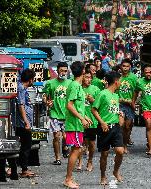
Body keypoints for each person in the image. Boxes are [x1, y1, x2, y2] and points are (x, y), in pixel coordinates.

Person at [63, 61, 92, 189]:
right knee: (76, 150)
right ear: (83, 72)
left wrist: (85, 117)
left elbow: (77, 106)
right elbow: (69, 105)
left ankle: (69, 178)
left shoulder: (77, 86)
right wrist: (82, 118)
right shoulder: (75, 85)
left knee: (77, 149)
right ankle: (68, 179)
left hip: (77, 123)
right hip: (74, 124)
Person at [92, 71, 124, 185]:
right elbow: (94, 109)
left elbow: (111, 108)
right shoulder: (103, 94)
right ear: (116, 81)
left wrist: (119, 113)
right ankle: (103, 176)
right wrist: (102, 122)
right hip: (104, 128)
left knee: (120, 151)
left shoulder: (116, 95)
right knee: (104, 153)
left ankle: (115, 171)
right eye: (119, 80)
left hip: (115, 127)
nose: (120, 83)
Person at [43, 62, 72, 165]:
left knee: (66, 136)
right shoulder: (50, 83)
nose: (63, 73)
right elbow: (45, 96)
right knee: (56, 137)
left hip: (67, 114)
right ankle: (57, 158)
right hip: (55, 113)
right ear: (57, 70)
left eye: (65, 71)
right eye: (61, 70)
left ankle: (65, 148)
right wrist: (47, 102)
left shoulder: (70, 83)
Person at [16, 68, 36, 177]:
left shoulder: (22, 88)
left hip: (23, 122)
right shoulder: (21, 89)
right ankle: (24, 169)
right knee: (26, 146)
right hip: (22, 123)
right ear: (30, 79)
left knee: (24, 145)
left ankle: (19, 167)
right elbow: (21, 106)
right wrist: (26, 121)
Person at [117, 59, 138, 154]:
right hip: (120, 105)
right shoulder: (117, 77)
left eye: (127, 66)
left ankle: (125, 144)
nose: (125, 68)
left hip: (129, 106)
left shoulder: (133, 78)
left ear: (130, 67)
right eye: (124, 66)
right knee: (120, 125)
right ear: (121, 67)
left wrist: (133, 102)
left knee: (127, 127)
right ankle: (120, 145)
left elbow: (136, 91)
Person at [82, 70, 101, 172]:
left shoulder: (95, 89)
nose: (88, 79)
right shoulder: (78, 88)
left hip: (92, 120)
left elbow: (100, 105)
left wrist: (92, 100)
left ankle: (90, 161)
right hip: (80, 120)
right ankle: (80, 161)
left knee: (92, 143)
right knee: (82, 143)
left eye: (90, 78)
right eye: (86, 77)